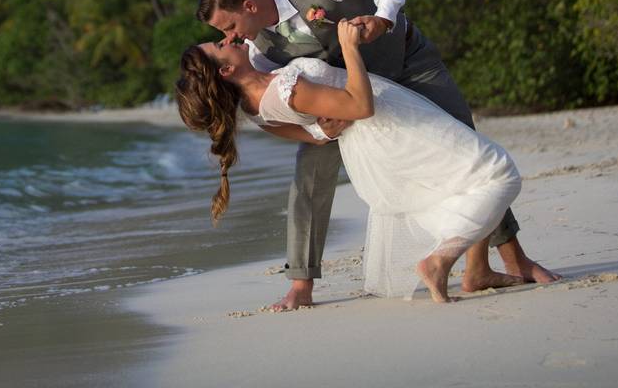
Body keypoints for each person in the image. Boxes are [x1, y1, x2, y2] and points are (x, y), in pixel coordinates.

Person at [195, 0, 559, 310]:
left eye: (228, 27)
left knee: (466, 145)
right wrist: (322, 129)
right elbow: (279, 107)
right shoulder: (257, 54)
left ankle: (501, 262)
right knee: (309, 175)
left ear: (249, 7)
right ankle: (301, 285)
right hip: (353, 104)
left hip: (406, 63)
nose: (231, 38)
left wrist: (384, 17)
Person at [176, 21, 522, 302]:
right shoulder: (284, 90)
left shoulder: (256, 108)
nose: (227, 40)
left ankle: (477, 271)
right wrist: (350, 47)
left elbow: (315, 136)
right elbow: (360, 106)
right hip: (392, 126)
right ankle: (440, 262)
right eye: (219, 46)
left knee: (459, 183)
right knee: (499, 172)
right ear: (225, 70)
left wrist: (326, 125)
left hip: (380, 134)